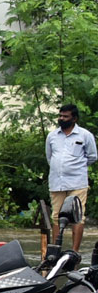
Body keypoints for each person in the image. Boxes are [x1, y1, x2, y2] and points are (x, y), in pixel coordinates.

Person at [45, 103, 96, 253]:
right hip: (57, 182)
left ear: (74, 118)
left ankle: (74, 252)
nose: (62, 118)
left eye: (65, 116)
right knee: (56, 216)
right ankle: (55, 251)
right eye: (60, 115)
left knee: (78, 217)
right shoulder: (52, 136)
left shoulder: (85, 135)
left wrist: (75, 167)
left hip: (77, 182)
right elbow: (50, 157)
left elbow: (92, 156)